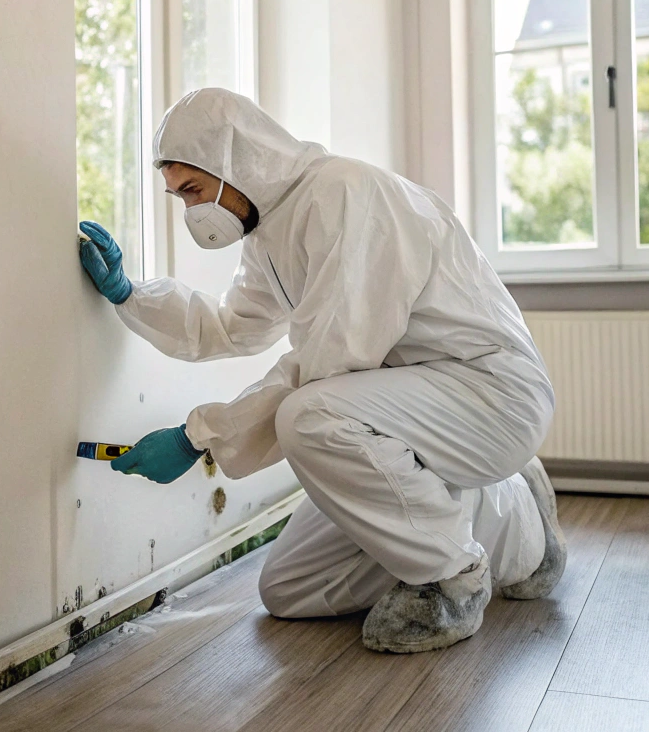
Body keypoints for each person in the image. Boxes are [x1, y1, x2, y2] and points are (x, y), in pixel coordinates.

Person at [78, 87, 566, 654]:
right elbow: (232, 327)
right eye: (177, 196)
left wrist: (197, 437)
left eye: (192, 190)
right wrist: (128, 295)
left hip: (488, 399)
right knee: (289, 588)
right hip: (415, 419)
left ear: (233, 163)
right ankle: (504, 510)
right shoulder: (269, 232)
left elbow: (326, 366)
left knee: (309, 416)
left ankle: (454, 580)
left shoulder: (348, 196)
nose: (190, 210)